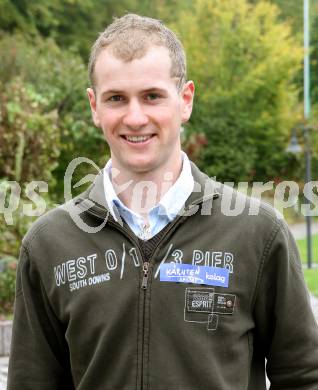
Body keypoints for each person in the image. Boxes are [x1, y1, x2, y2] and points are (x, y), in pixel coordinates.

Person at [7, 13, 318, 390]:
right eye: (116, 98)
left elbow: (304, 376)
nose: (135, 117)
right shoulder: (49, 244)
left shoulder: (258, 233)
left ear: (184, 100)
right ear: (94, 106)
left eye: (152, 96)